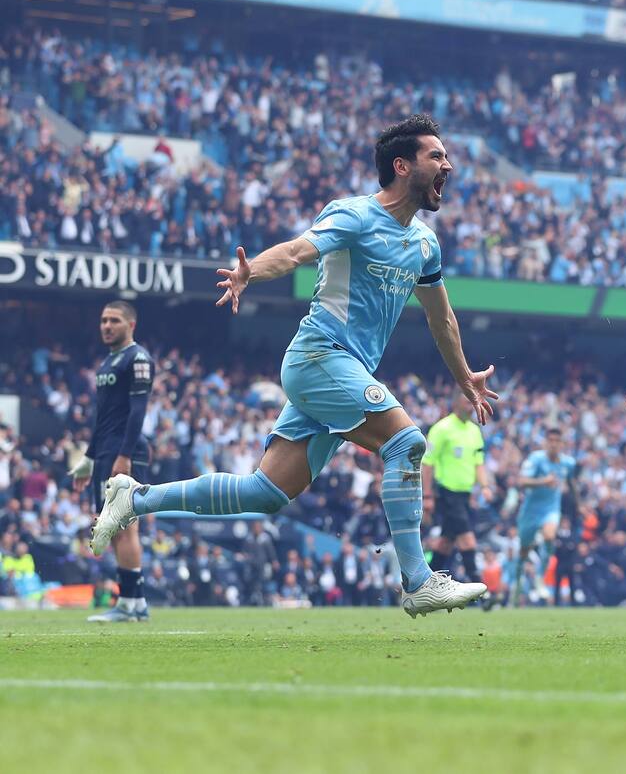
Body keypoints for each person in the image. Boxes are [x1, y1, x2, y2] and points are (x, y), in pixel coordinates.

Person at [90, 114, 498, 618]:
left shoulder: (425, 243)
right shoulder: (354, 215)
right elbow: (295, 251)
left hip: (345, 372)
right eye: (436, 156)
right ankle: (418, 582)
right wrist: (249, 273)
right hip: (319, 356)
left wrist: (464, 376)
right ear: (401, 165)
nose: (448, 165)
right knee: (407, 442)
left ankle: (134, 499)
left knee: (263, 493)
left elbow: (442, 318)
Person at [70, 300, 155, 623]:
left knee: (125, 526)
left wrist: (124, 455)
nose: (106, 326)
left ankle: (131, 604)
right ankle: (133, 603)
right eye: (104, 320)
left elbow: (138, 411)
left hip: (125, 452)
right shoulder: (108, 362)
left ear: (130, 325)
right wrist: (89, 457)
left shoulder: (138, 358)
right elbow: (102, 418)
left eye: (114, 320)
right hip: (106, 451)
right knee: (113, 526)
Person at [422, 393, 492, 586]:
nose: (471, 406)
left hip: (464, 495)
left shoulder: (474, 431)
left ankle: (427, 586)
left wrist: (484, 486)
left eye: (472, 403)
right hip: (446, 493)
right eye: (467, 402)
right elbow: (427, 463)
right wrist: (427, 495)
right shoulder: (441, 428)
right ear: (456, 404)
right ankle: (479, 589)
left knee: (445, 543)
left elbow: (479, 463)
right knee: (468, 540)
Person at [511, 427, 577, 606]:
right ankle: (517, 583)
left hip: (551, 509)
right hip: (530, 511)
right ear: (546, 443)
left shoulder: (568, 463)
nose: (554, 444)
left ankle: (540, 577)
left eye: (557, 441)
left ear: (562, 444)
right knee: (524, 551)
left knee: (549, 535)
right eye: (551, 441)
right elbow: (522, 481)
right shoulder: (536, 459)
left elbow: (572, 483)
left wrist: (580, 505)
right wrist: (543, 481)